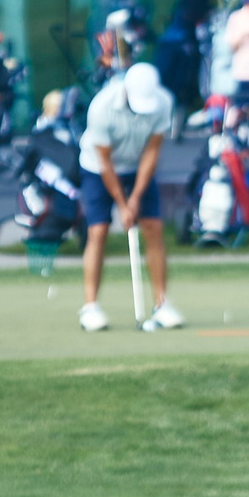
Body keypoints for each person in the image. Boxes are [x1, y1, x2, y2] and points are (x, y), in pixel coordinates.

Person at [76, 62, 180, 334]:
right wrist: (122, 205)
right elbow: (105, 161)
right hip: (97, 168)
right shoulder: (101, 107)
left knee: (153, 228)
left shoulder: (163, 101)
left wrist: (135, 198)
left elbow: (152, 152)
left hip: (137, 168)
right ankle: (90, 307)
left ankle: (162, 304)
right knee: (98, 231)